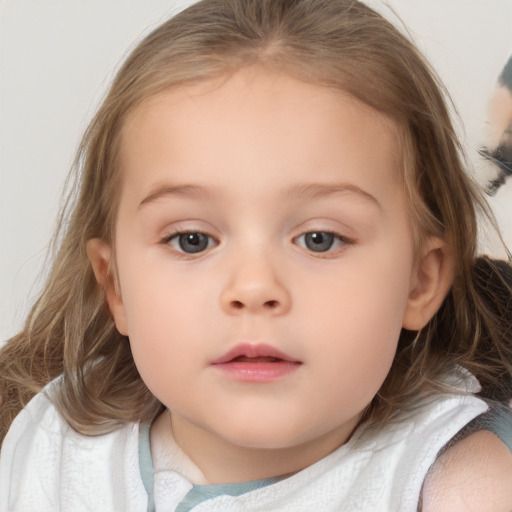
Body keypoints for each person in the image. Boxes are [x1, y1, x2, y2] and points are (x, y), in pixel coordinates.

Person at [1, 0, 512, 510]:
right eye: (191, 240)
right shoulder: (53, 446)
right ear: (116, 287)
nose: (253, 288)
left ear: (419, 282)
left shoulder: (456, 486)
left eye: (320, 239)